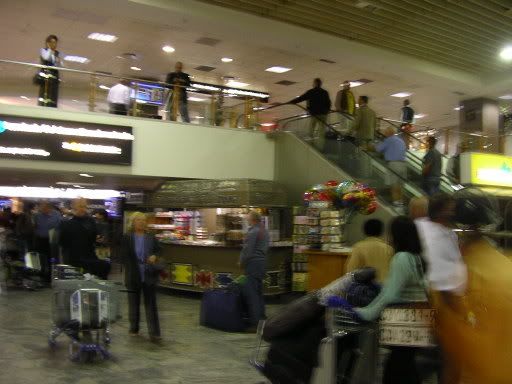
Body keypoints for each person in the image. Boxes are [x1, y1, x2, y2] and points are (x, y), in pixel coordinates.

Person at [354, 216, 428, 384]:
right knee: (407, 366)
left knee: (395, 370)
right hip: (420, 315)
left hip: (404, 317)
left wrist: (366, 313)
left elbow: (391, 294)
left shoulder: (401, 257)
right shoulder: (416, 257)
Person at [121, 212, 163, 342]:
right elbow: (123, 256)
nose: (141, 222)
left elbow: (159, 250)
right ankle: (134, 328)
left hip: (149, 273)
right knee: (133, 303)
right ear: (133, 222)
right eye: (138, 220)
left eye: (143, 220)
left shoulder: (151, 237)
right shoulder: (127, 237)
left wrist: (154, 256)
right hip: (133, 274)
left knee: (151, 304)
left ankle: (154, 332)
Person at [415, 193, 466, 295]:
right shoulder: (418, 226)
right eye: (450, 209)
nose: (453, 213)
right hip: (427, 289)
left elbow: (456, 261)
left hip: (449, 291)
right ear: (440, 211)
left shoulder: (451, 234)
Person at [60, 198, 110, 279]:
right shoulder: (66, 223)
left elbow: (93, 238)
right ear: (73, 207)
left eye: (84, 206)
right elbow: (63, 244)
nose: (82, 209)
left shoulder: (91, 221)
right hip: (75, 258)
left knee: (105, 266)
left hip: (89, 255)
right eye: (80, 206)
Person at [240, 211, 269, 330]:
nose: (247, 220)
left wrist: (241, 261)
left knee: (251, 293)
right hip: (261, 263)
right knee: (258, 292)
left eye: (248, 218)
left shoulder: (253, 231)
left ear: (252, 219)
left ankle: (255, 323)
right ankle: (262, 317)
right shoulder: (264, 230)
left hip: (252, 263)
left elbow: (248, 250)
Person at [289, 78, 331, 151]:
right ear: (320, 84)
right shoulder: (325, 92)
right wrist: (326, 111)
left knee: (311, 130)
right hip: (323, 115)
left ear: (314, 83)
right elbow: (329, 103)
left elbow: (300, 98)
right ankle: (320, 148)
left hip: (314, 114)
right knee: (321, 132)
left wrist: (289, 102)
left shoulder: (311, 92)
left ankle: (311, 146)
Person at [345, 219, 393, 283]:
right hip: (385, 288)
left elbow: (350, 270)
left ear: (364, 231)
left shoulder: (359, 247)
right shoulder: (389, 249)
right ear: (381, 231)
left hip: (366, 288)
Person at [375, 126, 407, 210]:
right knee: (400, 186)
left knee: (394, 185)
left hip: (393, 164)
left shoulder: (389, 140)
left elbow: (378, 149)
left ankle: (396, 204)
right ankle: (401, 203)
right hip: (403, 165)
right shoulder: (401, 140)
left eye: (385, 132)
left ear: (388, 133)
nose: (384, 134)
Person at [34, 201, 61, 283]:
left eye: (44, 208)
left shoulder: (56, 215)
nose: (42, 209)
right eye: (41, 207)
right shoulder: (37, 215)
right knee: (41, 259)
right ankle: (42, 276)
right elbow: (34, 226)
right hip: (40, 239)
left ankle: (51, 277)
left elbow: (60, 226)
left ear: (50, 208)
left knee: (52, 259)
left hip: (52, 241)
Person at [38, 34, 61, 108]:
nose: (54, 44)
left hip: (54, 76)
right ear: (48, 43)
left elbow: (59, 65)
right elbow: (46, 58)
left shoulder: (57, 53)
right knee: (45, 93)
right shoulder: (43, 50)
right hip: (46, 76)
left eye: (55, 42)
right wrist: (50, 50)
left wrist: (58, 62)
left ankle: (53, 106)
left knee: (53, 94)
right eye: (52, 42)